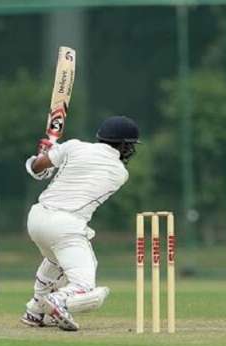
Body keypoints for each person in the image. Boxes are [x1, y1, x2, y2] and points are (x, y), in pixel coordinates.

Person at [20, 116, 139, 331]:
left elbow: (38, 169)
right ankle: (60, 300)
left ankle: (35, 310)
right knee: (85, 287)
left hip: (37, 218)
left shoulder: (73, 146)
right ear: (123, 145)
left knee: (55, 261)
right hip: (65, 226)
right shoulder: (120, 173)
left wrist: (45, 153)